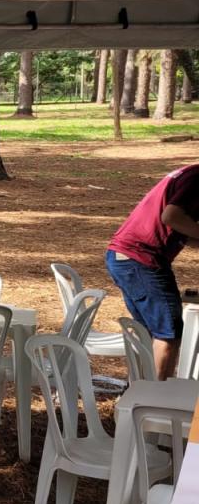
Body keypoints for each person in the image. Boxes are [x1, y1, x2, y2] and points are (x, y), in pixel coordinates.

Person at [106, 163, 199, 381]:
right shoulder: (197, 179)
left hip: (127, 257)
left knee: (147, 332)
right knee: (169, 334)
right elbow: (171, 216)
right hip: (140, 258)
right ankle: (155, 402)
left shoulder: (190, 173)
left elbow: (182, 231)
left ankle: (136, 394)